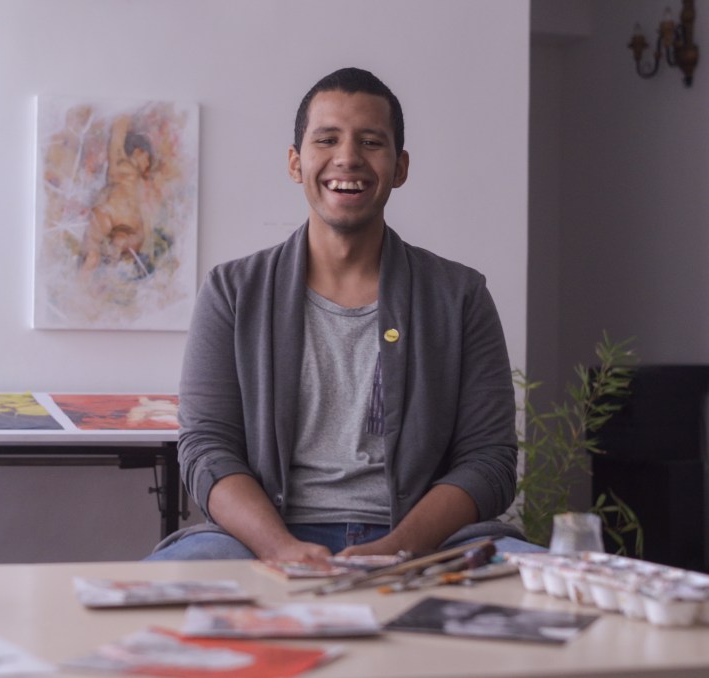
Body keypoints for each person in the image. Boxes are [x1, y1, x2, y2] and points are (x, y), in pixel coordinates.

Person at [147, 67, 527, 563]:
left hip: (425, 545)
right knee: (169, 580)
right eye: (327, 139)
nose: (347, 157)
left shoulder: (460, 297)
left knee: (549, 584)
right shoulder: (233, 292)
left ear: (400, 167)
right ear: (295, 163)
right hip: (260, 541)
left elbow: (489, 461)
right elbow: (206, 449)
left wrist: (394, 549)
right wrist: (282, 549)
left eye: (371, 142)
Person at [80, 114, 154, 277]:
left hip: (128, 226)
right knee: (92, 257)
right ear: (138, 152)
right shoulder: (120, 164)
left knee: (121, 250)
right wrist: (123, 119)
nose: (148, 163)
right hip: (108, 213)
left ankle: (111, 262)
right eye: (147, 158)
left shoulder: (143, 178)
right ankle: (86, 273)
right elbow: (117, 138)